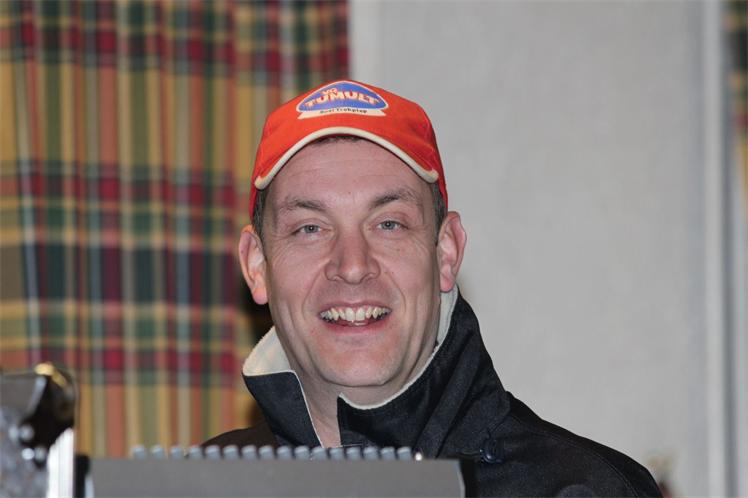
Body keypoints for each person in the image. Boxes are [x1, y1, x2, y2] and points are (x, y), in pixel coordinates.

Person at [205, 80, 662, 497]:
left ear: (445, 252)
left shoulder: (591, 489)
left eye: (388, 224)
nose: (353, 266)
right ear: (257, 266)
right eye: (310, 228)